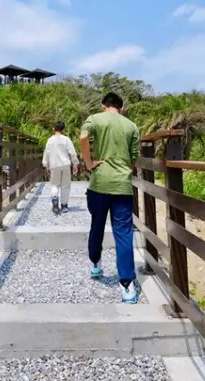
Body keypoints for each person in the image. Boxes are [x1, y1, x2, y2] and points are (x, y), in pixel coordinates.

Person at [80, 92, 140, 304]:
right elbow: (134, 159)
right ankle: (127, 286)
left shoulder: (95, 119)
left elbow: (83, 137)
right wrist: (123, 170)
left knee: (97, 225)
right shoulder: (132, 126)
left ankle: (95, 264)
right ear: (121, 108)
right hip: (122, 186)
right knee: (124, 233)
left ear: (103, 105)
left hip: (99, 184)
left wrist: (89, 164)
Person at [42, 121, 79, 214]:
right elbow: (72, 152)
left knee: (54, 184)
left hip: (54, 165)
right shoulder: (66, 139)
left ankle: (55, 199)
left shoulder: (50, 140)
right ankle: (64, 206)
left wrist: (46, 165)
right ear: (63, 129)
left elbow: (47, 153)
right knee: (65, 186)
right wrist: (75, 164)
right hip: (65, 165)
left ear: (53, 128)